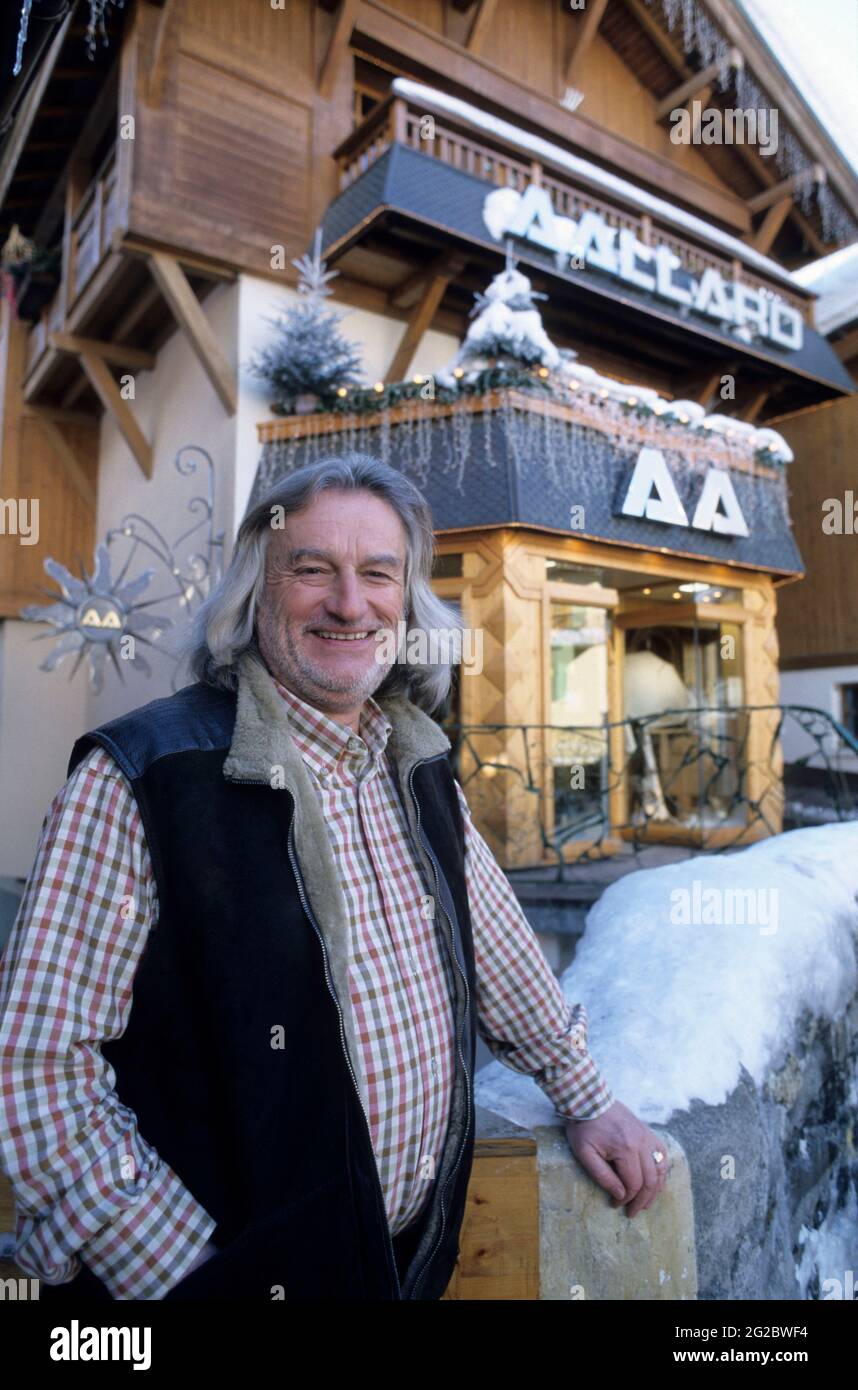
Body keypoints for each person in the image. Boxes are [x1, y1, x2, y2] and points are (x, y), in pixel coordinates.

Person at [0, 452, 668, 1301]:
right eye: (311, 570)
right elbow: (35, 1064)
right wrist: (196, 1278)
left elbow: (501, 960)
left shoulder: (416, 762)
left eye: (378, 574)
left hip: (398, 1266)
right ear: (256, 591)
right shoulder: (147, 775)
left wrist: (587, 1098)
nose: (351, 604)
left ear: (407, 601)